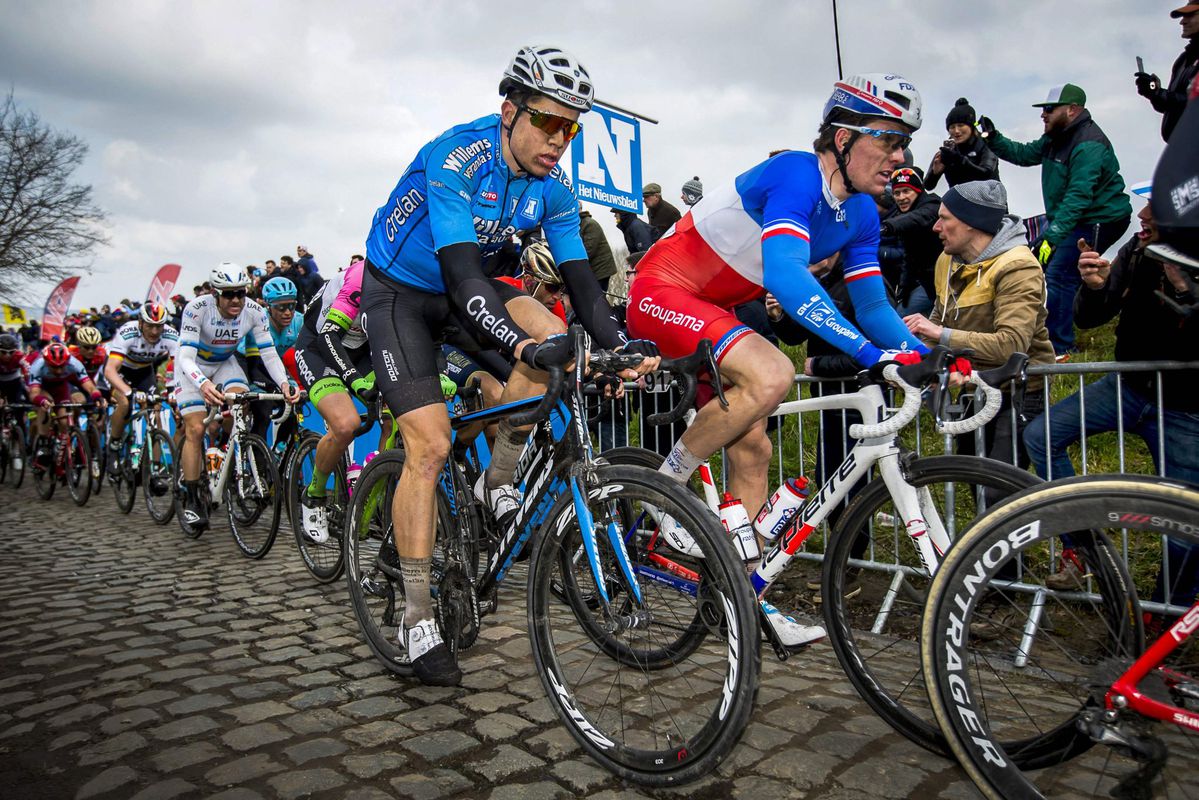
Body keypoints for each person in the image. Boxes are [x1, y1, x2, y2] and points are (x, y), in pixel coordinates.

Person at [359, 45, 657, 685]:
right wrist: (521, 348)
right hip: (404, 294)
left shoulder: (553, 186)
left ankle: (499, 476)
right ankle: (415, 616)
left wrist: (620, 344)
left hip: (473, 285)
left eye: (571, 128)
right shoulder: (457, 156)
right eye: (548, 122)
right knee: (431, 445)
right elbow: (462, 274)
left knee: (559, 335)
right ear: (509, 111)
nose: (559, 139)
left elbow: (581, 283)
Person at [626, 73, 933, 650]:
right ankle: (665, 491)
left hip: (712, 305)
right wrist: (870, 355)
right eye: (888, 140)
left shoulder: (862, 213)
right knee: (773, 373)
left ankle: (743, 601)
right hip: (662, 290)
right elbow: (789, 278)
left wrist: (921, 356)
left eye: (904, 145)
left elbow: (871, 301)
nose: (900, 157)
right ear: (842, 138)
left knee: (756, 446)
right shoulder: (796, 172)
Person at [1024, 201, 1199, 602]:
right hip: (1126, 386)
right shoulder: (1138, 250)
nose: (1143, 216)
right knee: (1041, 435)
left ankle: (1163, 615)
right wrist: (1096, 286)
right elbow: (1089, 320)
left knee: (1182, 519)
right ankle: (1084, 547)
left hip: (1185, 406)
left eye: (1155, 210)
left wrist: (1186, 289)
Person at [904, 180, 1054, 472]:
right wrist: (914, 358)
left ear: (971, 223)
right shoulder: (946, 260)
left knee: (999, 490)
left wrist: (939, 335)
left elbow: (1010, 346)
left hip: (1018, 392)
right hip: (976, 386)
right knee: (975, 480)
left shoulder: (1018, 266)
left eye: (944, 218)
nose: (935, 227)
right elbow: (938, 318)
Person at [979, 84, 1132, 359]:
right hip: (1072, 217)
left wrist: (1054, 235)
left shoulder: (1088, 145)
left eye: (1049, 109)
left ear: (1072, 110)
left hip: (1100, 217)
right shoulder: (1055, 137)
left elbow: (1078, 195)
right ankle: (1054, 331)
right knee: (1055, 269)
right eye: (1043, 110)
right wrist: (993, 137)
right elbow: (1024, 154)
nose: (1044, 115)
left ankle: (1061, 348)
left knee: (1060, 274)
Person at [175, 264, 300, 530]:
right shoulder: (197, 309)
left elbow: (268, 353)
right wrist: (202, 383)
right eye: (229, 294)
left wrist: (283, 383)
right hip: (193, 367)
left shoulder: (254, 311)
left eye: (240, 293)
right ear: (215, 293)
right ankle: (192, 496)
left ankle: (233, 458)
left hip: (224, 363)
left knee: (243, 405)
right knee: (196, 428)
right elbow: (185, 356)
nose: (235, 300)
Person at [293, 258, 385, 544]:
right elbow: (327, 338)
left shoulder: (409, 280)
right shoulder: (360, 277)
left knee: (398, 417)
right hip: (319, 348)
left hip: (362, 351)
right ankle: (315, 494)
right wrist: (354, 379)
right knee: (346, 425)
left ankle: (378, 481)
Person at [104, 303, 179, 473]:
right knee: (125, 403)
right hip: (120, 370)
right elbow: (109, 370)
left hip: (144, 371)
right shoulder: (127, 332)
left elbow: (177, 366)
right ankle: (114, 446)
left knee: (156, 409)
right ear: (140, 323)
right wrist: (130, 392)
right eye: (150, 326)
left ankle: (156, 467)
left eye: (158, 327)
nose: (154, 332)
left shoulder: (171, 335)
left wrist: (172, 390)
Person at [238, 276, 304, 442]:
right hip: (246, 364)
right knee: (263, 410)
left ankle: (280, 451)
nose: (288, 312)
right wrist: (272, 386)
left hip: (273, 364)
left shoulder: (298, 321)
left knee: (294, 402)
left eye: (291, 306)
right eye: (281, 307)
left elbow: (310, 354)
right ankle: (259, 463)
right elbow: (254, 365)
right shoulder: (259, 321)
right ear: (268, 307)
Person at [27, 342, 105, 458]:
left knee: (64, 422)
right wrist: (42, 401)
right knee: (46, 404)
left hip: (60, 387)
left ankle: (61, 447)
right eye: (54, 367)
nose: (58, 371)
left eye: (62, 366)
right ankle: (42, 443)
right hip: (42, 387)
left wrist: (97, 397)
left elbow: (89, 386)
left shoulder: (75, 364)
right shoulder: (38, 366)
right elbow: (34, 393)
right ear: (46, 362)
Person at [1135, 3, 1199, 142]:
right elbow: (1173, 106)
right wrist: (1153, 91)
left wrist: (1158, 93)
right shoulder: (1183, 59)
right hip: (1182, 148)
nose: (1183, 21)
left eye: (1190, 15)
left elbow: (1194, 104)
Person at [883, 168, 942, 316]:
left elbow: (917, 218)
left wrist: (887, 227)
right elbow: (909, 256)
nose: (901, 197)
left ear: (918, 191)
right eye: (897, 193)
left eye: (906, 191)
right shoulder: (903, 214)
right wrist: (904, 289)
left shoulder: (933, 206)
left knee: (900, 318)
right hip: (926, 283)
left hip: (945, 282)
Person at [924, 98, 999, 191]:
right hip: (960, 202)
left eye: (960, 125)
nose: (956, 131)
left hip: (990, 199)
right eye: (952, 127)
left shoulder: (987, 144)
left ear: (971, 126)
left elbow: (986, 173)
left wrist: (959, 160)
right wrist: (934, 173)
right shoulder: (948, 151)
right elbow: (928, 186)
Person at [577, 205, 618, 290]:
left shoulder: (589, 224)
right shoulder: (578, 224)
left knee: (597, 298)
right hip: (593, 269)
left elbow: (589, 250)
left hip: (600, 270)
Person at [0, 333, 28, 405]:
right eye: (3, 352)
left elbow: (28, 370)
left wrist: (28, 383)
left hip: (15, 381)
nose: (7, 355)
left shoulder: (19, 356)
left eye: (11, 352)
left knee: (19, 404)